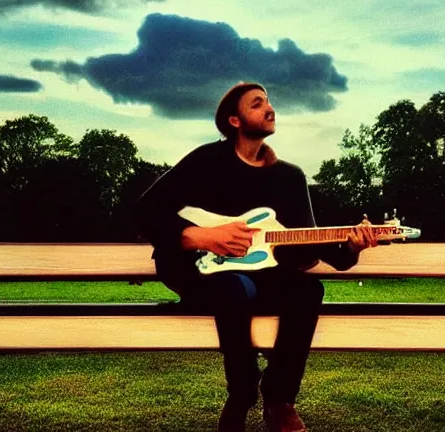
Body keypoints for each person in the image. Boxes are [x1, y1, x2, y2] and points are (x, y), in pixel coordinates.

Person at [135, 82, 377, 432]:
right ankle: (242, 393)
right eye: (257, 103)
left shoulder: (289, 177)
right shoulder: (206, 160)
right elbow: (143, 211)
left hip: (260, 275)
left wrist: (350, 246)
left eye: (270, 102)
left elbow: (305, 249)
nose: (269, 108)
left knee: (308, 291)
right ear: (234, 120)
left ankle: (279, 400)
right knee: (233, 287)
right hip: (195, 268)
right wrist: (202, 235)